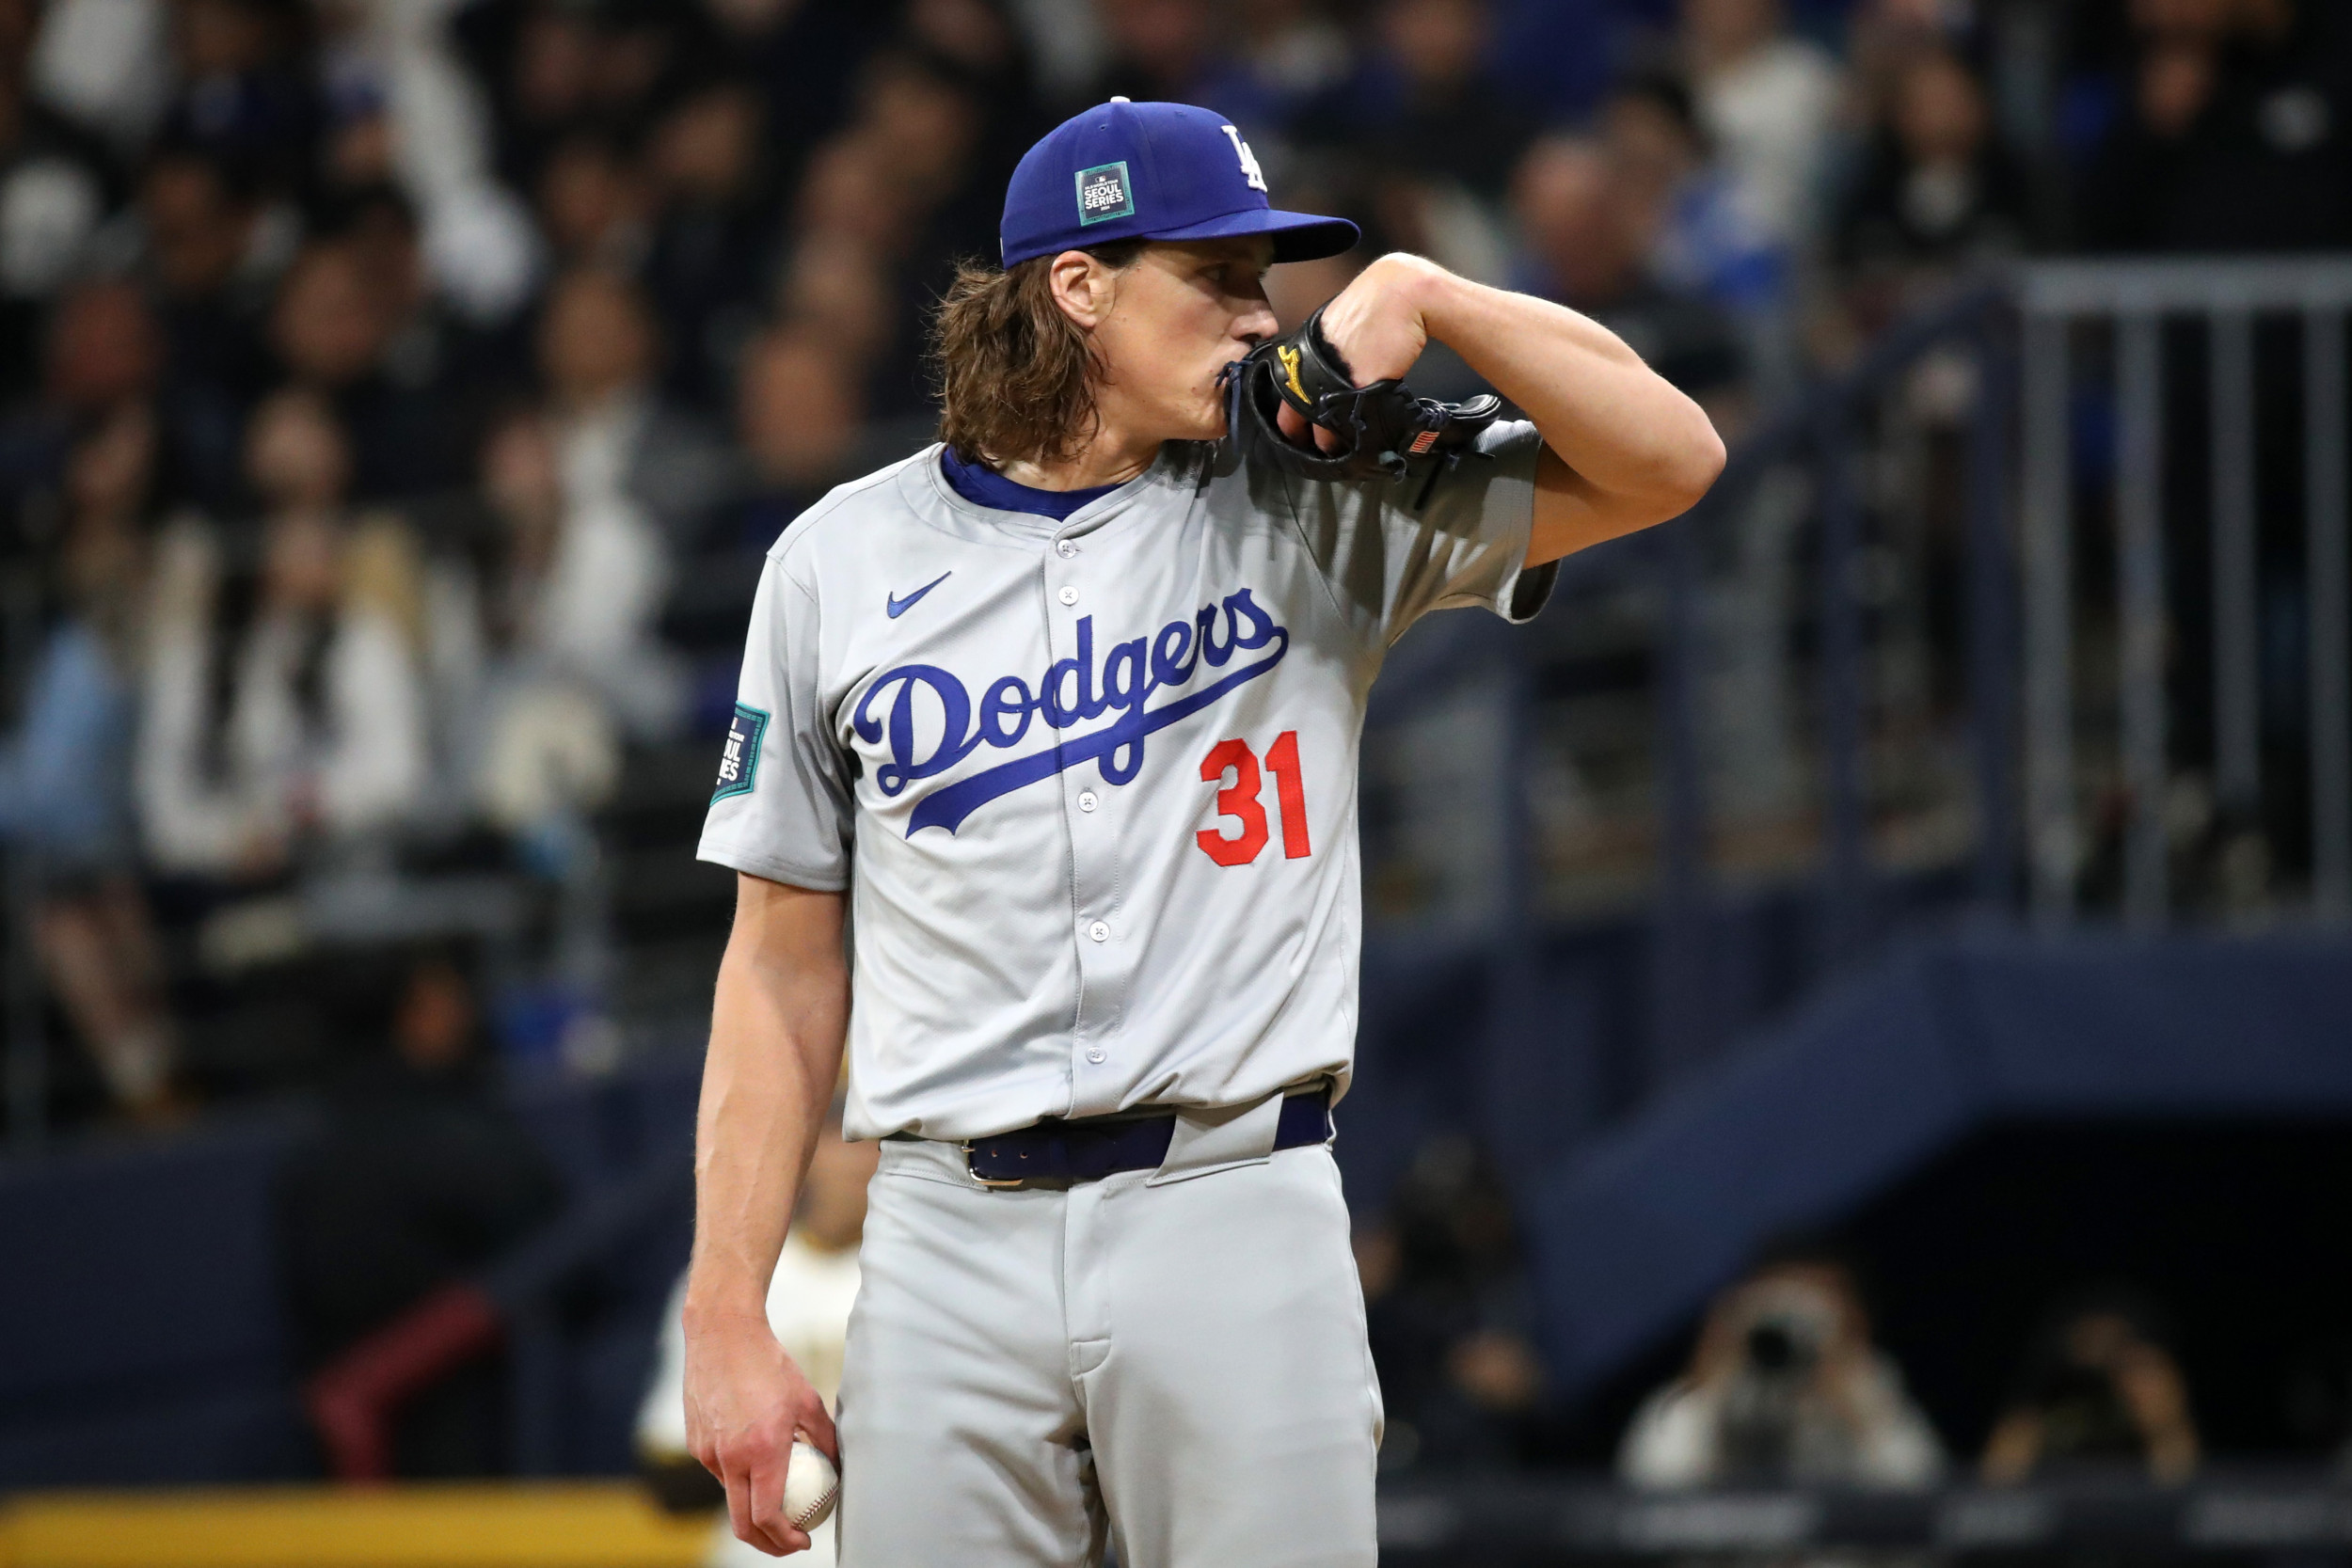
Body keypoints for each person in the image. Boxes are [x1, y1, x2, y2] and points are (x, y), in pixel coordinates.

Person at [680, 98, 1722, 1564]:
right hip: (944, 1233)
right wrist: (726, 1303)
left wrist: (1430, 293)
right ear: (1079, 284)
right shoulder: (834, 561)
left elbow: (1671, 457)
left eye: (1264, 279)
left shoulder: (1316, 491)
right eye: (1216, 277)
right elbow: (781, 965)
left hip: (1234, 1199)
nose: (1261, 316)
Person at [639, 1105, 878, 1565]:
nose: (856, 1163)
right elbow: (669, 1478)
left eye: (871, 1146)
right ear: (806, 1157)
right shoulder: (733, 1285)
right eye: (840, 1142)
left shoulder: (919, 1286)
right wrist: (770, 1446)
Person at [1619, 1247, 1945, 1489]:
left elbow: (1930, 1508)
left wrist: (1855, 1404)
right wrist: (1707, 1385)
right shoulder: (1710, 1397)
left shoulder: (1872, 1391)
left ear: (1856, 1317)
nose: (1795, 1322)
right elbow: (1645, 1506)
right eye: (1781, 1302)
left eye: (1813, 1303)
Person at [1980, 1290, 2201, 1483]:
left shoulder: (2146, 1401)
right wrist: (2022, 1431)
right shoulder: (2047, 1413)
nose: (2101, 1373)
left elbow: (2182, 1489)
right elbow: (1997, 1492)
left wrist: (2164, 1427)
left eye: (2116, 1358)